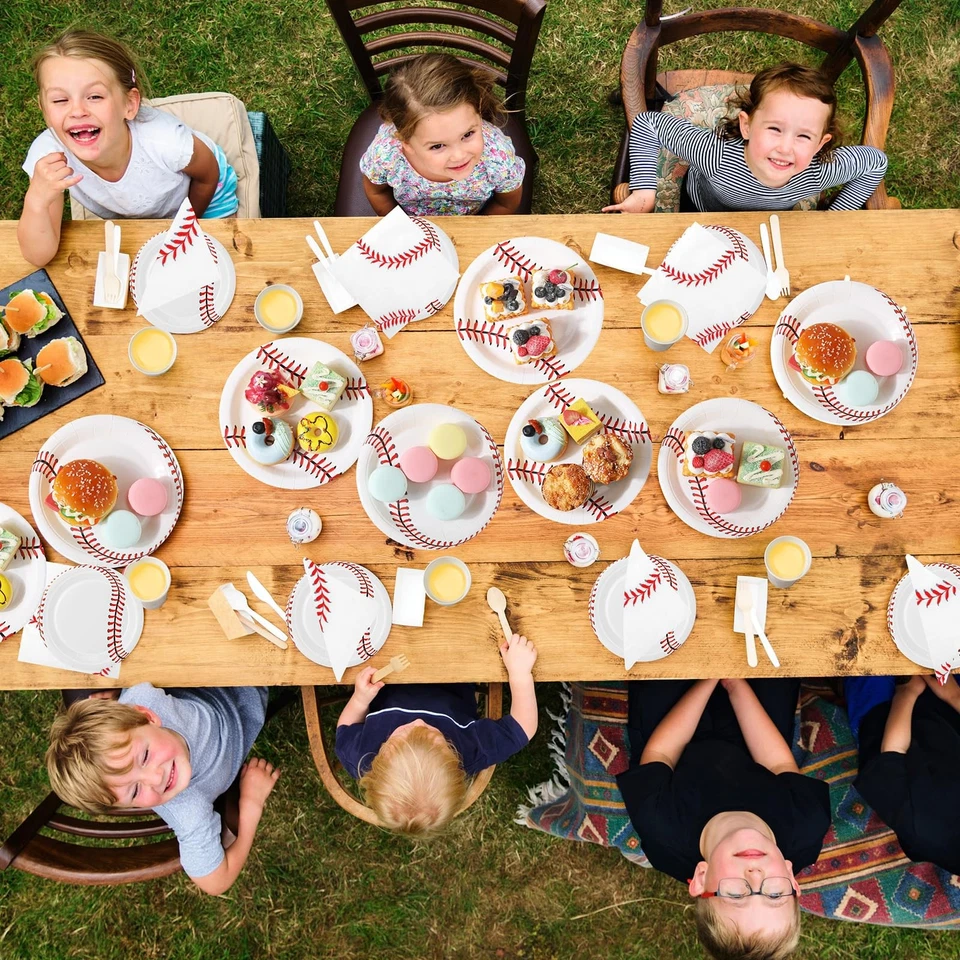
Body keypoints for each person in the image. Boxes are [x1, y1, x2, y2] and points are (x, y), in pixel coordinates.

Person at [616, 678, 830, 959]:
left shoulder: (661, 826)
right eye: (775, 895)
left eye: (736, 895)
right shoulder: (805, 825)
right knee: (771, 659)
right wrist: (734, 684)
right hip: (754, 737)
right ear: (791, 878)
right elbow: (779, 764)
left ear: (701, 880)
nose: (755, 876)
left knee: (661, 662)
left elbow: (660, 753)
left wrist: (710, 678)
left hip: (677, 737)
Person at [19, 29, 239, 267]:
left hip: (206, 195)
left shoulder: (166, 142)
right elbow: (39, 256)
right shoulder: (50, 158)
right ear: (44, 109)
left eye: (94, 96)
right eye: (60, 100)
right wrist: (37, 201)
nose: (77, 111)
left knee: (216, 265)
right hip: (141, 213)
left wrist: (183, 227)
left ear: (129, 104)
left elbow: (209, 174)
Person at [46, 684, 278, 896]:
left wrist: (119, 689)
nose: (156, 778)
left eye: (145, 757)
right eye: (135, 791)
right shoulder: (188, 809)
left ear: (147, 715)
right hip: (255, 695)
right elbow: (215, 882)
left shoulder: (142, 697)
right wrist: (250, 805)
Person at [604, 62, 888, 214]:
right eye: (775, 129)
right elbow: (647, 124)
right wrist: (644, 192)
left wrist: (836, 218)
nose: (786, 148)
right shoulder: (714, 155)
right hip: (700, 210)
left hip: (770, 229)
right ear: (747, 126)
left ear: (820, 144)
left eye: (804, 136)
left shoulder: (818, 172)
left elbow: (875, 163)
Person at [336, 633, 538, 836]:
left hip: (386, 660)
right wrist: (520, 675)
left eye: (401, 737)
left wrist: (360, 700)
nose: (418, 723)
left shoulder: (361, 757)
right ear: (455, 765)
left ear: (378, 764)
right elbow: (522, 728)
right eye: (434, 737)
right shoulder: (470, 750)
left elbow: (346, 727)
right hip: (454, 658)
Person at [359, 52, 525, 217]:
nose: (459, 155)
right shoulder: (386, 155)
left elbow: (507, 202)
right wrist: (404, 228)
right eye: (437, 146)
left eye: (467, 134)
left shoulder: (498, 158)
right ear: (406, 143)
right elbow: (377, 192)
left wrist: (476, 231)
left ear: (478, 111)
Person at [850, 674, 960, 876]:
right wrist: (954, 695)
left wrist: (908, 692)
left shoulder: (926, 835)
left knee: (865, 653)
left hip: (886, 717)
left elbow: (891, 756)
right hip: (949, 709)